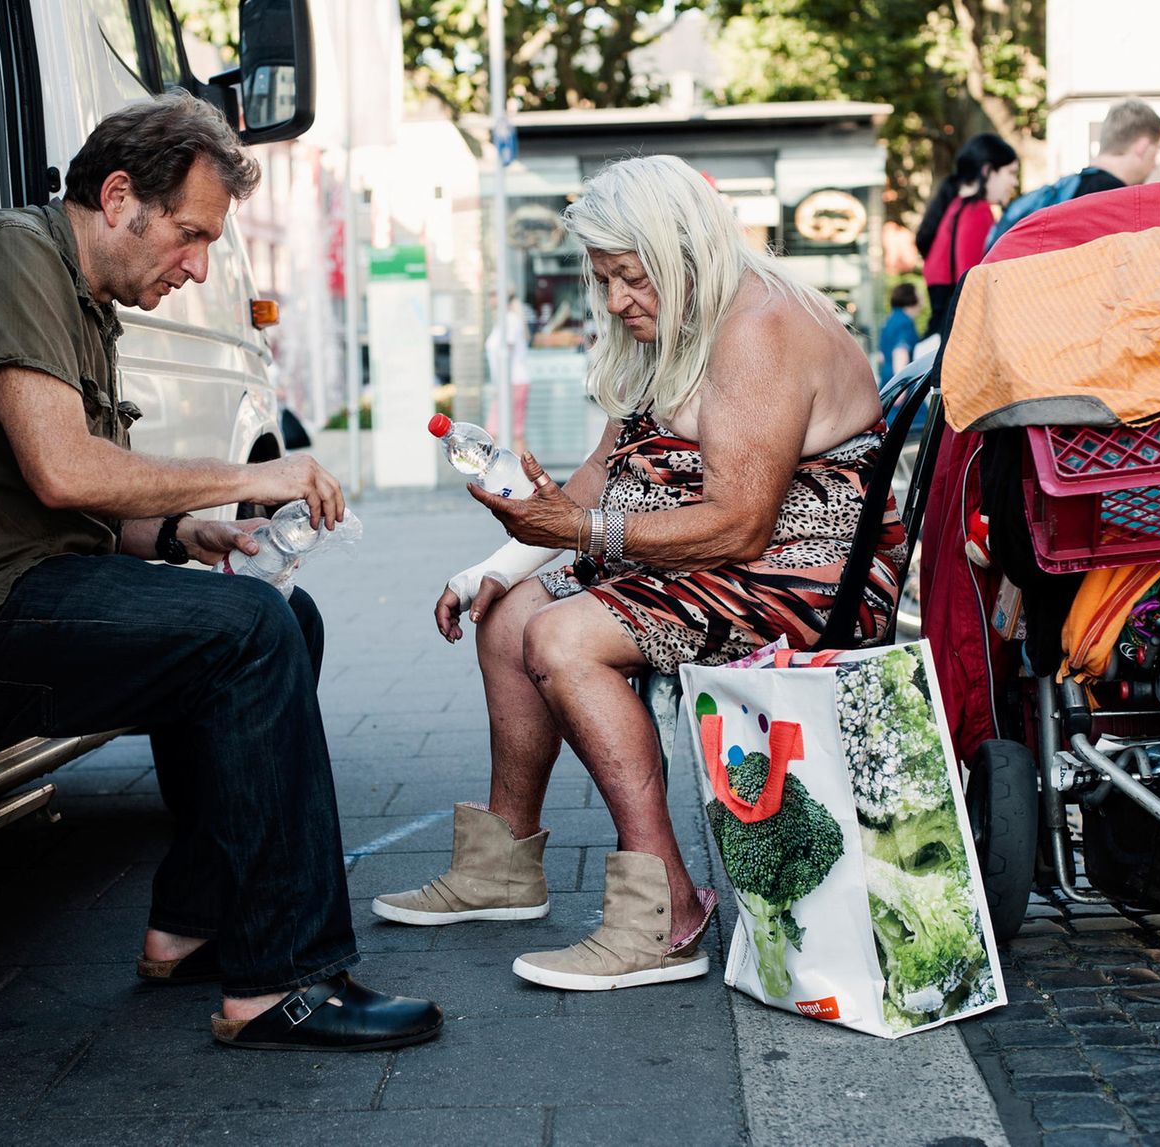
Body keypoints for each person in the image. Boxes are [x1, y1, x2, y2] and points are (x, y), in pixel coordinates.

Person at [0, 93, 442, 1052]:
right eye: (191, 235)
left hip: (40, 588)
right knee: (248, 634)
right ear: (120, 198)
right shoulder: (10, 253)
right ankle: (286, 977)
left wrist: (183, 535)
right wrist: (254, 473)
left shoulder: (82, 299)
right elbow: (63, 468)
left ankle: (192, 923)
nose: (200, 266)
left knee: (283, 616)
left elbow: (70, 502)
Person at [373, 155, 905, 991]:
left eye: (632, 276)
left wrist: (578, 531)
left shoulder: (758, 324)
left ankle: (668, 911)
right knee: (508, 614)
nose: (618, 300)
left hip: (802, 574)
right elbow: (593, 483)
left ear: (685, 251)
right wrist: (493, 564)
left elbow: (740, 520)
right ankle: (502, 866)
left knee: (563, 639)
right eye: (606, 279)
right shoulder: (675, 325)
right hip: (724, 559)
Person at [986, 98, 1160, 249]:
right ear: (1143, 147)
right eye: (1157, 150)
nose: (1155, 165)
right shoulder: (1116, 199)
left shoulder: (1069, 188)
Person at [916, 133, 1019, 337]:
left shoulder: (952, 208)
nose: (1014, 182)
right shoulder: (977, 211)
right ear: (988, 171)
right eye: (1011, 172)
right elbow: (973, 283)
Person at [485, 292, 532, 455]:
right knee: (503, 430)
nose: (488, 298)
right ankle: (519, 474)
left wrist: (500, 386)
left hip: (512, 383)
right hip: (508, 384)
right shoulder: (504, 321)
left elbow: (507, 352)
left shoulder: (510, 320)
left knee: (508, 431)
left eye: (491, 293)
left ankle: (524, 476)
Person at [878, 283, 921, 386]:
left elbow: (881, 357)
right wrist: (901, 387)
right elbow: (900, 351)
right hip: (899, 381)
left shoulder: (889, 320)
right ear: (911, 298)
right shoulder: (905, 322)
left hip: (887, 379)